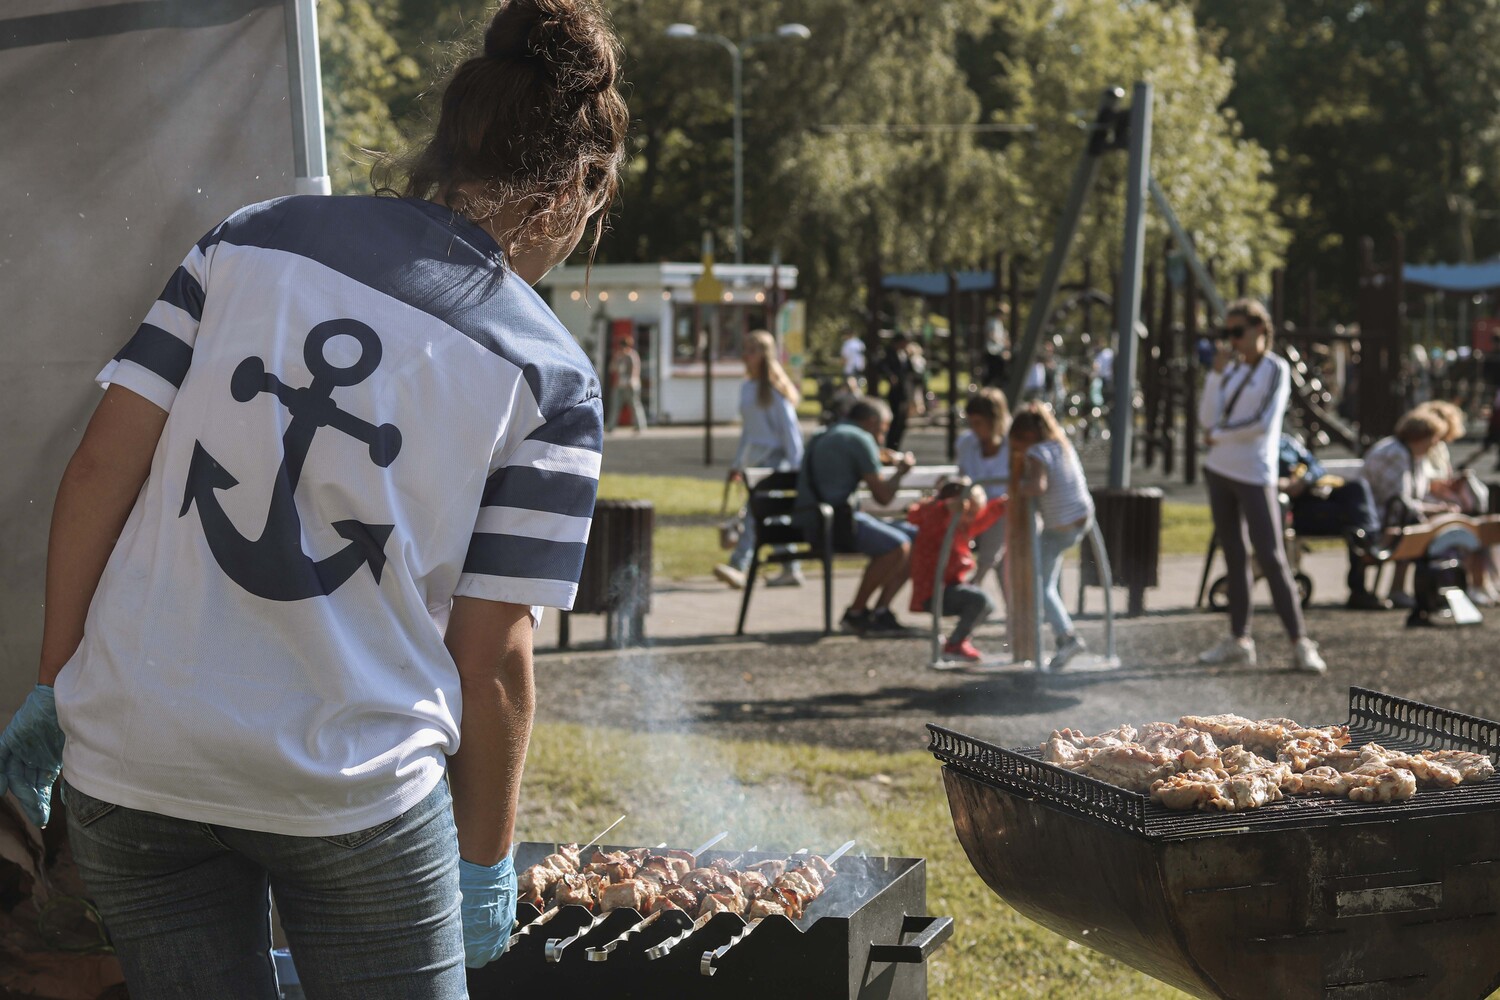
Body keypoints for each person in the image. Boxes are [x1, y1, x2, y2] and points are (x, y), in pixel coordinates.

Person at [0, 2, 627, 995]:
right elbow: (494, 657)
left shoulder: (250, 240)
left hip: (134, 755)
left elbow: (96, 475)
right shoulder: (549, 375)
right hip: (350, 788)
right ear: (565, 194)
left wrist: (55, 686)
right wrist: (484, 859)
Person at [1197, 299, 1327, 673]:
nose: (1231, 340)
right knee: (1233, 555)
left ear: (1260, 330)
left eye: (1237, 332)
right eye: (1228, 333)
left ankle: (1300, 642)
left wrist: (1218, 436)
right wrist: (1215, 375)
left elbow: (1261, 424)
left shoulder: (1275, 369)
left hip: (1255, 473)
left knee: (1271, 556)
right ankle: (1239, 639)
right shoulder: (1232, 370)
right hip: (1219, 470)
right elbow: (1207, 417)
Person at [795, 398, 917, 636]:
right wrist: (901, 472)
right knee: (898, 546)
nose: (881, 439)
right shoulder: (860, 439)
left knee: (917, 537)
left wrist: (878, 456)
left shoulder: (828, 433)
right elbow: (883, 497)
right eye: (882, 431)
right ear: (872, 422)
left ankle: (881, 611)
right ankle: (858, 612)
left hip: (813, 519)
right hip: (833, 525)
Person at [716, 330, 805, 589]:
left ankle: (738, 565)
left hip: (776, 461)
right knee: (774, 518)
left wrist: (796, 469)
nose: (747, 355)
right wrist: (737, 463)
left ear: (764, 355)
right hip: (755, 460)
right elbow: (748, 431)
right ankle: (791, 567)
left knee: (754, 514)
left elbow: (791, 433)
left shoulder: (775, 391)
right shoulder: (747, 387)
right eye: (745, 349)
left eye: (753, 350)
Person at [1009, 403, 1094, 672]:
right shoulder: (1061, 445)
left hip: (1060, 524)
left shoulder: (1036, 452)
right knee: (1048, 581)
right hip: (1082, 518)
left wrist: (1015, 487)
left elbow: (1038, 486)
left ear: (1026, 437)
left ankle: (1067, 637)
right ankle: (1062, 640)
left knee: (1039, 585)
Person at [1364, 408, 1463, 608]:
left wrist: (1439, 506)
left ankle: (1417, 587)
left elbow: (1412, 497)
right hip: (1377, 516)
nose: (1436, 443)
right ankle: (1405, 589)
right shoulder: (1396, 454)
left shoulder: (1410, 454)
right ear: (1421, 436)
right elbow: (1397, 500)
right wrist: (1434, 509)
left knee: (1426, 523)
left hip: (1392, 515)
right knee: (1417, 525)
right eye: (1434, 438)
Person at [1276, 434, 1388, 610]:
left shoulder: (1286, 443)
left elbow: (1315, 466)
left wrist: (1304, 480)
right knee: (1356, 524)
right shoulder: (1251, 444)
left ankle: (1368, 538)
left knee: (1356, 489)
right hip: (1292, 508)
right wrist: (1279, 483)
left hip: (1314, 498)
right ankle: (1372, 543)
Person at [907, 479, 1007, 662]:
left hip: (949, 585)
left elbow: (985, 517)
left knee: (984, 603)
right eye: (970, 513)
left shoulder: (961, 524)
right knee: (981, 601)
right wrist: (944, 507)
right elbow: (919, 514)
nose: (971, 519)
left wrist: (1003, 504)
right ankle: (954, 645)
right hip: (933, 591)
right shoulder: (938, 518)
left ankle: (957, 642)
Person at [956, 388, 1011, 603]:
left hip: (1006, 515)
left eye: (978, 423)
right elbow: (963, 479)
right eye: (971, 423)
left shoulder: (1013, 443)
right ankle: (972, 584)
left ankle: (974, 582)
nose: (974, 429)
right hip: (976, 513)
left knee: (999, 522)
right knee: (1001, 561)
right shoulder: (966, 443)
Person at [878, 332, 920, 449]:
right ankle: (890, 445)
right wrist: (890, 376)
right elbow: (883, 366)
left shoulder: (905, 354)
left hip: (905, 390)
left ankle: (897, 445)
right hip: (896, 392)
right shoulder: (889, 353)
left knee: (902, 421)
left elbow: (911, 371)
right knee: (895, 420)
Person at [606, 333, 646, 432]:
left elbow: (635, 370)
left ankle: (640, 426)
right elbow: (612, 368)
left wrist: (631, 381)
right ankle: (611, 426)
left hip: (631, 385)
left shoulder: (632, 355)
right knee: (615, 405)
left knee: (634, 405)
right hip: (619, 385)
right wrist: (616, 358)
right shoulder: (619, 356)